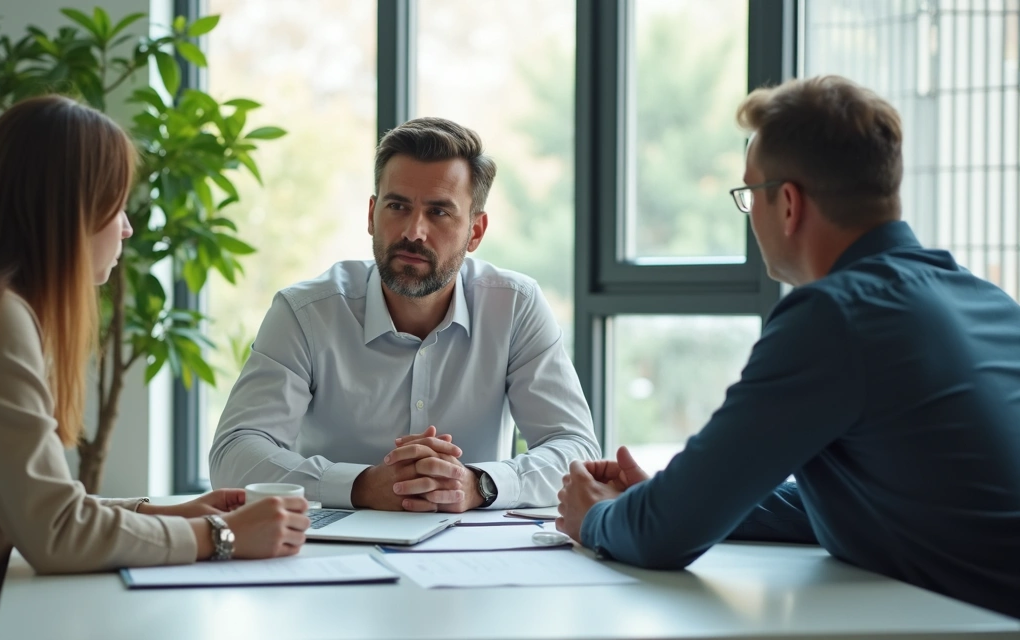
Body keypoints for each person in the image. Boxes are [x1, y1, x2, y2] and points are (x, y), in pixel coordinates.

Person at [0, 95, 309, 640]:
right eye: (116, 207)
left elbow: (43, 506)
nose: (127, 229)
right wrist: (223, 535)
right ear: (69, 214)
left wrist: (175, 514)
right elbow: (56, 533)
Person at [555, 75, 1020, 619]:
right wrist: (677, 496)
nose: (750, 213)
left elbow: (663, 537)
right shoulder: (987, 300)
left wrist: (593, 517)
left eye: (750, 193)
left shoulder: (836, 316)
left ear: (789, 204)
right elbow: (880, 500)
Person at [210, 117, 599, 512]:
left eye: (439, 213)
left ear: (476, 231)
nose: (414, 232)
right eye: (397, 206)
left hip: (472, 547)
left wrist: (476, 484)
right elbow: (233, 454)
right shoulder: (305, 313)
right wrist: (358, 486)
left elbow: (576, 450)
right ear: (371, 214)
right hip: (330, 550)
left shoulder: (514, 307)